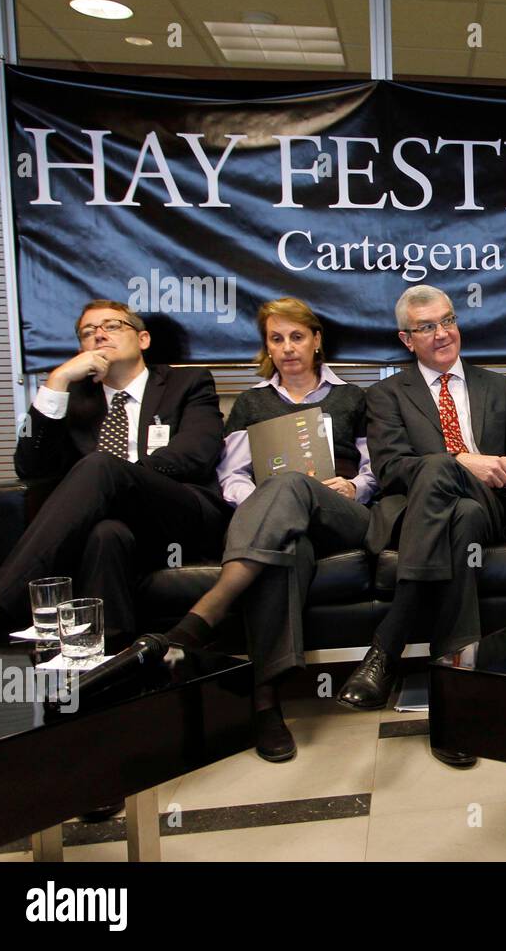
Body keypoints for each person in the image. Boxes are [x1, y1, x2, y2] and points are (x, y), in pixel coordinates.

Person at [163, 298, 377, 763]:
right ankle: (266, 706)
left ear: (316, 340)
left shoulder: (352, 398)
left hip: (341, 514)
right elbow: (233, 477)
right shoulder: (252, 402)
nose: (287, 348)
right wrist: (260, 501)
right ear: (267, 347)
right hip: (278, 523)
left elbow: (375, 470)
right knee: (286, 545)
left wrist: (353, 486)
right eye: (276, 339)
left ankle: (210, 611)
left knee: (289, 487)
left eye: (297, 337)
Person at [337, 285, 506, 769]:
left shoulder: (498, 387)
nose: (443, 333)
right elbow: (389, 469)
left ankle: (388, 644)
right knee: (451, 499)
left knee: (465, 501)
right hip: (420, 512)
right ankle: (456, 711)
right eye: (427, 327)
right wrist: (462, 460)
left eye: (448, 320)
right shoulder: (385, 394)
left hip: (490, 506)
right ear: (407, 339)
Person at [0, 300, 227, 643]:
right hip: (111, 524)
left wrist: (121, 478)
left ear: (143, 340)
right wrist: (57, 380)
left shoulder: (187, 382)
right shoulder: (74, 398)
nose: (99, 335)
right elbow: (29, 468)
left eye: (111, 326)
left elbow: (198, 453)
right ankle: (107, 661)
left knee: (100, 467)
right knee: (106, 534)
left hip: (181, 513)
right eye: (88, 332)